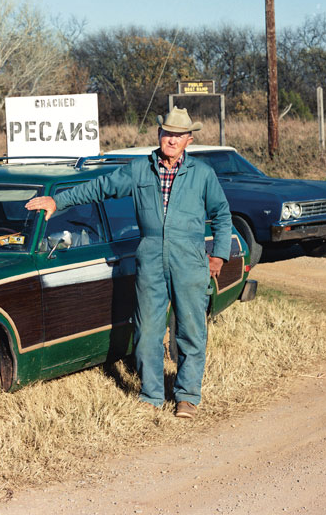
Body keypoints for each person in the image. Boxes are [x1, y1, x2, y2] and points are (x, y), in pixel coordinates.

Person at [25, 107, 231, 418]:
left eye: (178, 135)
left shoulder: (202, 174)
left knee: (190, 331)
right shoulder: (139, 170)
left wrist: (218, 254)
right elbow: (99, 188)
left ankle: (187, 395)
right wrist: (59, 201)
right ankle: (151, 395)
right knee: (147, 330)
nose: (171, 140)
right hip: (149, 258)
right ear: (158, 134)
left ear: (188, 139)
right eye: (167, 133)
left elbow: (222, 215)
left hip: (189, 260)